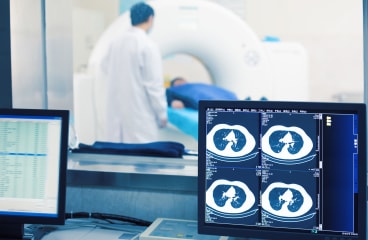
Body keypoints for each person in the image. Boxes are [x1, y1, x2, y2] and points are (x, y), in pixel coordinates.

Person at [102, 2, 167, 143]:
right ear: (150, 19)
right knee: (143, 159)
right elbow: (154, 85)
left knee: (118, 159)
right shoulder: (147, 45)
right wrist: (162, 113)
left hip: (116, 117)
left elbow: (104, 67)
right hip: (140, 118)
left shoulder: (115, 42)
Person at [166, 77, 239, 110]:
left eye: (184, 82)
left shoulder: (196, 85)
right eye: (179, 84)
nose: (183, 84)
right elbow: (167, 94)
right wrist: (172, 101)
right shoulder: (173, 91)